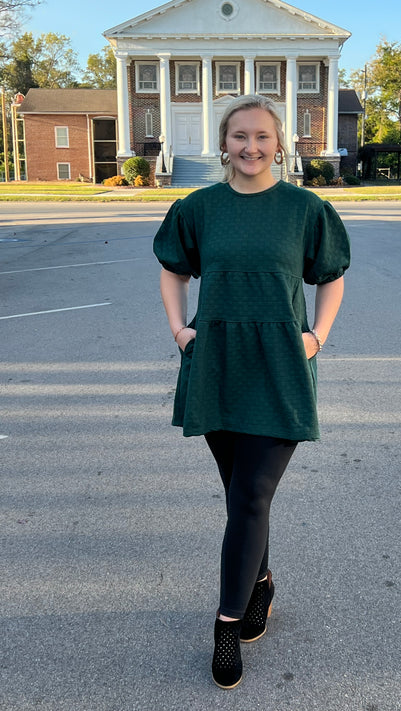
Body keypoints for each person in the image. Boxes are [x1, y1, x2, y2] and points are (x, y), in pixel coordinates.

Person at [153, 94, 350, 689]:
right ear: (225, 142)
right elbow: (173, 270)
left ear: (279, 143)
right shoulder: (199, 208)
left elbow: (332, 277)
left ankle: (226, 621)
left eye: (262, 136)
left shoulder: (305, 209)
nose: (251, 147)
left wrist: (316, 338)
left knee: (252, 495)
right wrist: (180, 330)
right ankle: (260, 583)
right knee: (241, 495)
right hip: (217, 363)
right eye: (240, 136)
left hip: (281, 366)